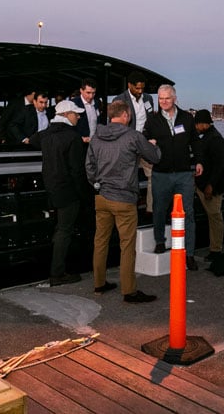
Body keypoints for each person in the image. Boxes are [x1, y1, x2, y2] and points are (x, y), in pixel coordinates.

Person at [86, 99, 161, 303]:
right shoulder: (133, 136)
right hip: (124, 198)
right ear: (126, 115)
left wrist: (98, 184)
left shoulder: (96, 136)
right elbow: (154, 157)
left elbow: (89, 167)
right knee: (127, 245)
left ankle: (99, 284)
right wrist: (154, 145)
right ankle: (129, 291)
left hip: (102, 196)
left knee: (100, 241)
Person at [28, 100, 88, 286]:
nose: (78, 117)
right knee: (65, 231)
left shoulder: (45, 135)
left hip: (51, 188)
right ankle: (57, 273)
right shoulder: (73, 137)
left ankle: (56, 268)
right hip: (68, 190)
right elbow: (77, 170)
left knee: (59, 229)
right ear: (66, 115)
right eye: (76, 114)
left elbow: (32, 140)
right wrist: (84, 194)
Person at [142, 84, 203, 270]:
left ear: (174, 98)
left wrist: (199, 161)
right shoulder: (152, 120)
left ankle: (189, 253)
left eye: (167, 98)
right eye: (160, 98)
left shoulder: (186, 118)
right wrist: (148, 144)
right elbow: (143, 141)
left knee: (188, 213)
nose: (163, 102)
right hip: (161, 174)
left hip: (184, 174)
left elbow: (195, 141)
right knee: (159, 209)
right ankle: (160, 241)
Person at [116, 71, 157, 213]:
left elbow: (150, 119)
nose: (140, 91)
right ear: (129, 85)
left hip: (144, 143)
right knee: (128, 177)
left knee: (153, 174)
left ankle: (150, 209)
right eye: (137, 88)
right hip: (128, 144)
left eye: (142, 88)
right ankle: (129, 208)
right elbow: (116, 125)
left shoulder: (148, 98)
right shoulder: (120, 99)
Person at [193, 109, 224, 262]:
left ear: (203, 124)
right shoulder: (210, 137)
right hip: (204, 183)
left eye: (197, 124)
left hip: (210, 185)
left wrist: (210, 185)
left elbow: (219, 165)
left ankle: (216, 249)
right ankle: (214, 248)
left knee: (214, 217)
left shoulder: (214, 139)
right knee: (213, 217)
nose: (196, 127)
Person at [71, 78, 100, 142]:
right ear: (81, 90)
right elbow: (68, 127)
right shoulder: (73, 104)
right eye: (88, 93)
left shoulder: (96, 103)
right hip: (79, 143)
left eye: (93, 93)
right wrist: (79, 138)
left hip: (95, 142)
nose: (91, 96)